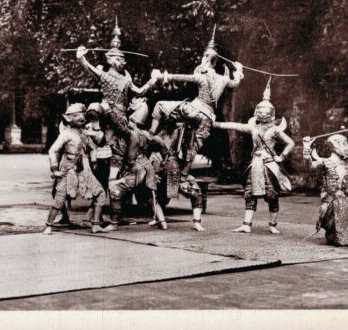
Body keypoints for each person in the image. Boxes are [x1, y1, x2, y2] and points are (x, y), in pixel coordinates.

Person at [76, 20, 161, 182]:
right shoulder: (105, 75)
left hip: (121, 117)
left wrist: (153, 80)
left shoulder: (126, 79)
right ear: (110, 60)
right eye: (120, 60)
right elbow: (89, 68)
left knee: (127, 141)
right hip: (106, 114)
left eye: (123, 60)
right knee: (96, 107)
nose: (124, 62)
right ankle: (95, 133)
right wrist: (82, 59)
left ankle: (125, 169)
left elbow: (140, 91)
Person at [150, 28, 243, 176]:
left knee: (160, 105)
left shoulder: (201, 76)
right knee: (196, 144)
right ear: (216, 61)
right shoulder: (224, 79)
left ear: (206, 59)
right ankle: (185, 173)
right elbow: (236, 83)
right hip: (206, 117)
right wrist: (238, 70)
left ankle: (150, 134)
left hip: (192, 109)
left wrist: (162, 76)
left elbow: (181, 77)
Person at [213, 79, 294, 234]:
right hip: (255, 163)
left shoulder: (275, 130)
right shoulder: (253, 127)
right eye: (260, 111)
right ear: (256, 112)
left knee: (272, 194)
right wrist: (216, 124)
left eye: (266, 112)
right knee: (250, 193)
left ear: (271, 114)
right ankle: (246, 224)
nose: (263, 114)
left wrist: (281, 157)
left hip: (269, 165)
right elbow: (235, 125)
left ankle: (272, 225)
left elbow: (290, 143)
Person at [101, 100, 169, 232]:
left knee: (115, 190)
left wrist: (108, 111)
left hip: (135, 168)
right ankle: (163, 222)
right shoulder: (147, 134)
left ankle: (114, 223)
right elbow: (162, 145)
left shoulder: (131, 133)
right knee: (151, 197)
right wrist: (163, 161)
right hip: (147, 167)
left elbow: (118, 126)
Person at [43, 103, 108, 235]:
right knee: (59, 198)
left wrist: (94, 160)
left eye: (82, 115)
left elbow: (94, 146)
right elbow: (52, 150)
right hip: (69, 169)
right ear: (69, 118)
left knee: (100, 193)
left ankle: (95, 225)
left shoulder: (84, 133)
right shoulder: (66, 134)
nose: (81, 117)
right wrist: (54, 169)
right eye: (77, 115)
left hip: (84, 170)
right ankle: (48, 226)